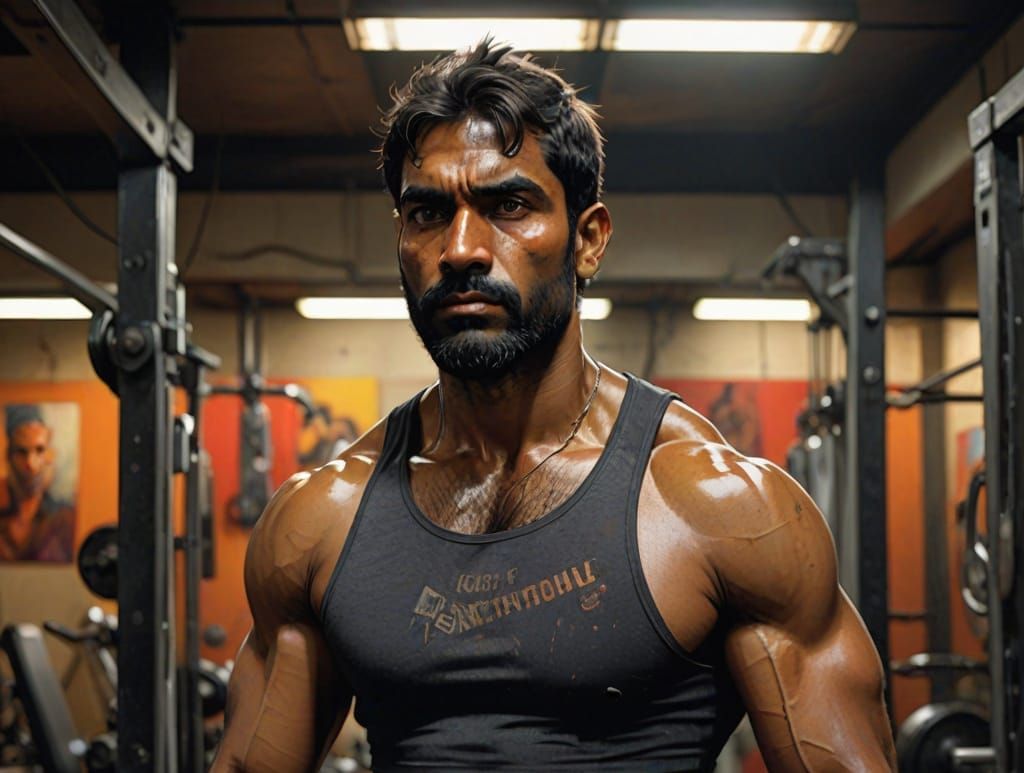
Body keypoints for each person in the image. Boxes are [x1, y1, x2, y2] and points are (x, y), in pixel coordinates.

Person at [212, 40, 896, 772]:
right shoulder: (323, 519)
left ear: (589, 238)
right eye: (428, 213)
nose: (463, 249)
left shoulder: (717, 507)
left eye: (509, 205)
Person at [0, 404, 75, 562]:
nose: (31, 464)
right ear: (8, 456)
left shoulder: (62, 516)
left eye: (39, 450)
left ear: (49, 455)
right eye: (21, 452)